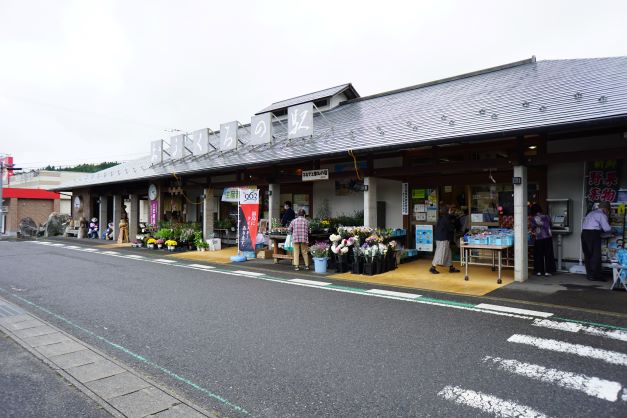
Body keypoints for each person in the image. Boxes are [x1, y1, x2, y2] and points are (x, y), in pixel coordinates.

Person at [581, 201, 612, 281]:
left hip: (584, 233)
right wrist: (613, 231)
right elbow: (607, 228)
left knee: (588, 255)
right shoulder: (602, 214)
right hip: (593, 234)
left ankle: (590, 275)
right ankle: (597, 275)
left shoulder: (591, 213)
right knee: (596, 255)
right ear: (606, 209)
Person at [430, 205, 461, 274]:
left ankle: (451, 267)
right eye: (450, 210)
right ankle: (433, 267)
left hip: (440, 238)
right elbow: (450, 228)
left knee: (448, 253)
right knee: (440, 253)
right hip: (443, 238)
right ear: (447, 211)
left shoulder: (442, 217)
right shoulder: (446, 218)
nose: (451, 211)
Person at [530, 204, 556, 277]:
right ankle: (548, 271)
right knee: (548, 254)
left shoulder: (533, 218)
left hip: (539, 238)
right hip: (548, 237)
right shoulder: (547, 216)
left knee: (538, 254)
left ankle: (539, 271)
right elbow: (551, 225)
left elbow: (532, 228)